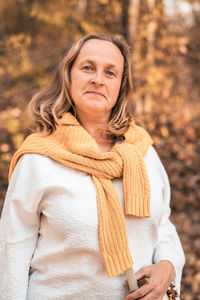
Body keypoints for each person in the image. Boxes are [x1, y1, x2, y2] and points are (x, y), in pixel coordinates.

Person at [0, 33, 185, 300]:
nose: (98, 79)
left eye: (110, 73)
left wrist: (168, 266)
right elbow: (11, 250)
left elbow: (162, 224)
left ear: (121, 86)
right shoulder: (38, 159)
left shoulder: (142, 152)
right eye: (88, 67)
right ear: (69, 76)